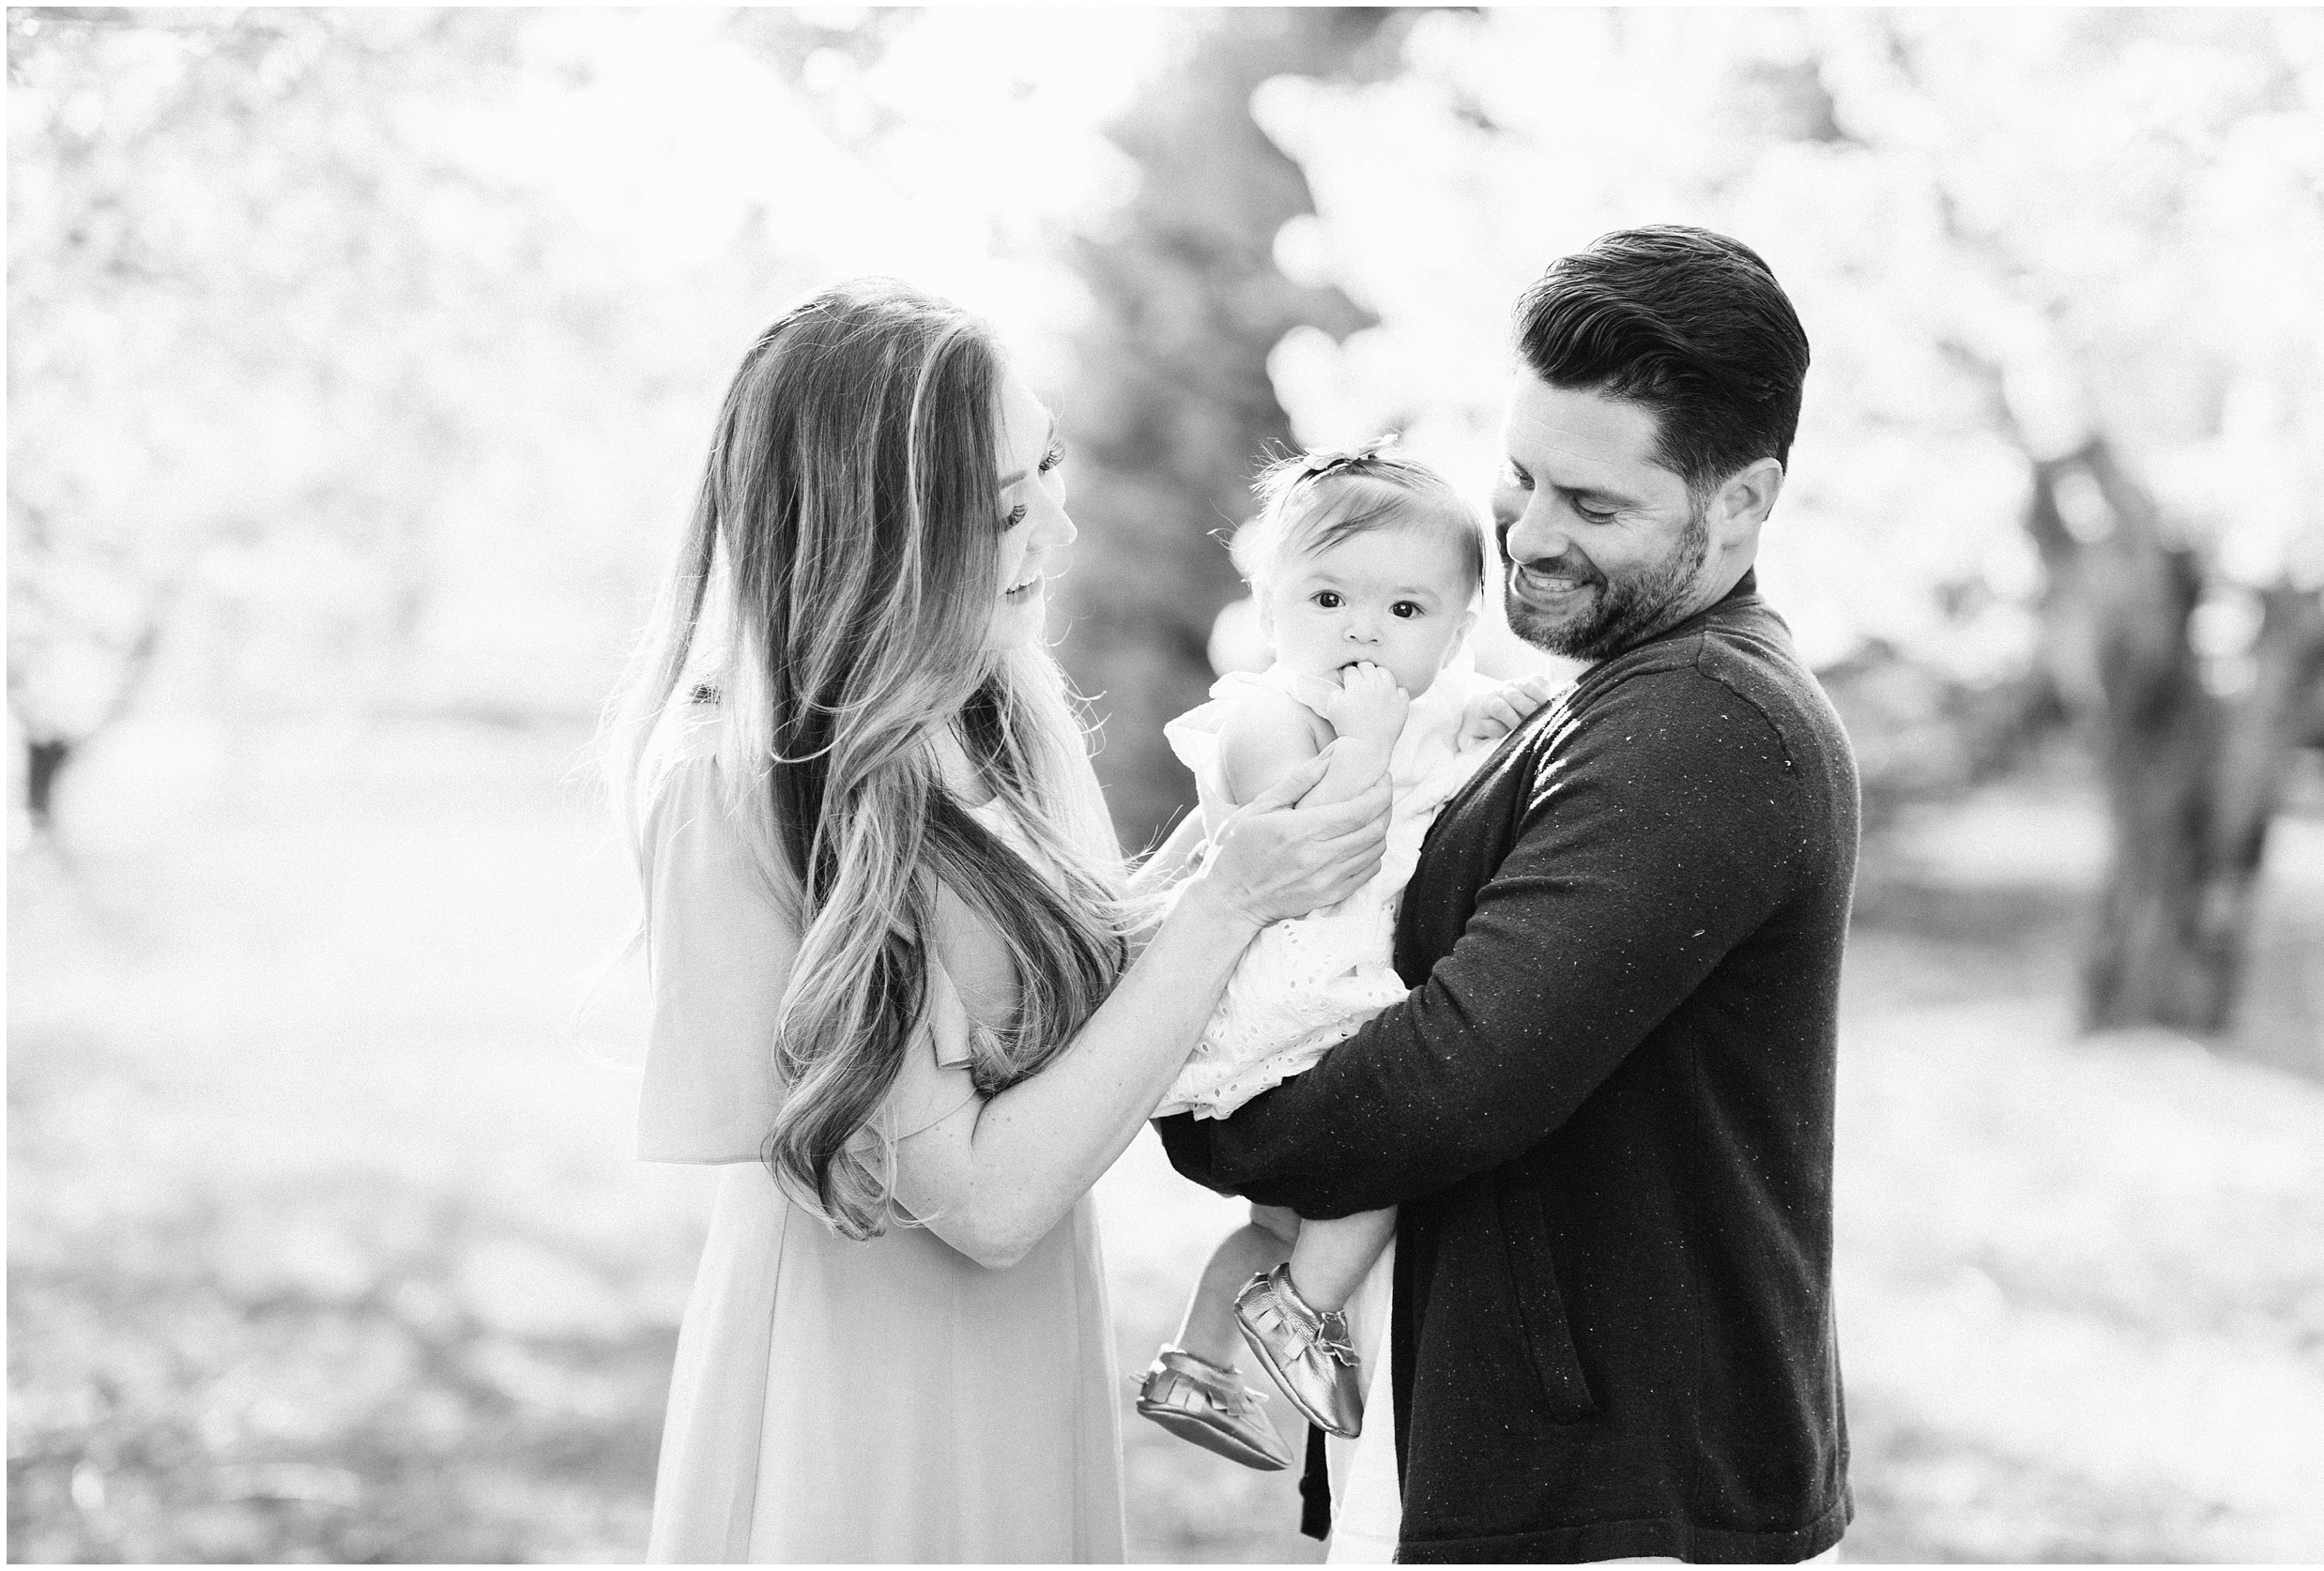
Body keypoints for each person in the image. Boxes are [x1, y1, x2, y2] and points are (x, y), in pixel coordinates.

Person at [607, 279, 1393, 1564]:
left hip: (1026, 1352)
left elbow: (1083, 1011)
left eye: (1049, 471)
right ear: (877, 537)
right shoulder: (743, 789)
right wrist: (1230, 896)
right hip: (858, 1395)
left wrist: (1245, 848)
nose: (1060, 533)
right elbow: (983, 1197)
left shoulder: (991, 714)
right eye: (1002, 508)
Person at [1157, 225, 1862, 1564]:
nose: (1529, 537)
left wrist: (1209, 1120)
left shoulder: (1705, 722)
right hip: (1535, 1440)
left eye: (1594, 507)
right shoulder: (1608, 692)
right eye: (1522, 477)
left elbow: (1457, 1076)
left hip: (1625, 1488)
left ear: (1742, 503)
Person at [1134, 441, 1550, 1470]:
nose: (1362, 629)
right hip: (1291, 999)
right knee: (1390, 1148)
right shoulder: (1271, 715)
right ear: (1269, 606)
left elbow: (1455, 783)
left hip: (1337, 992)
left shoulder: (1426, 707)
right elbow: (1320, 849)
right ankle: (1299, 1311)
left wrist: (1486, 723)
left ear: (1457, 631)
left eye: (1406, 612)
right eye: (1328, 598)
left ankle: (1197, 1362)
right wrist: (1366, 742)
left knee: (1278, 1218)